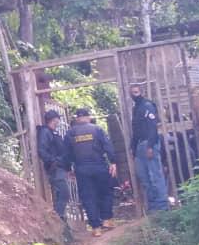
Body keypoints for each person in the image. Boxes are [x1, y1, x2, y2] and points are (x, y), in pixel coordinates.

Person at [64, 107, 117, 236]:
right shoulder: (97, 129)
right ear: (88, 117)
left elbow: (66, 153)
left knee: (88, 197)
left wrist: (68, 169)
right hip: (99, 166)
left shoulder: (70, 133)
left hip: (81, 169)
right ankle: (106, 220)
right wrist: (113, 162)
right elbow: (107, 146)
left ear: (77, 118)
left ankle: (96, 228)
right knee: (105, 193)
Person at [129, 84, 170, 212]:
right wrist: (133, 148)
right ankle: (153, 207)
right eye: (132, 93)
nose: (134, 95)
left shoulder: (147, 105)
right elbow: (136, 131)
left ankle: (162, 207)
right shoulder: (136, 108)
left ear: (142, 92)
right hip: (140, 146)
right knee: (144, 177)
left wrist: (150, 146)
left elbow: (153, 127)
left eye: (136, 92)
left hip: (148, 143)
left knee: (155, 175)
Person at [37, 110, 70, 224]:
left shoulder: (51, 132)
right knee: (64, 193)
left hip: (58, 168)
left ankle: (59, 219)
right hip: (55, 169)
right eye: (57, 118)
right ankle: (58, 219)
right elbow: (41, 150)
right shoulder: (45, 132)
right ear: (53, 119)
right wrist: (53, 161)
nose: (59, 121)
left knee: (61, 194)